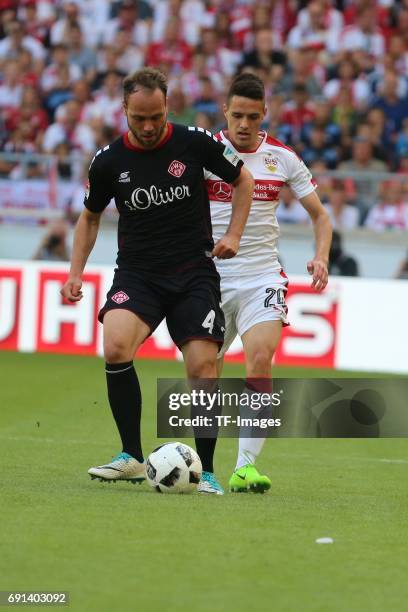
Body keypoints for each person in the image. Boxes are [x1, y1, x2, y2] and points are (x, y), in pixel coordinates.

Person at [60, 67, 254, 495]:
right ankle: (131, 456)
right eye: (139, 118)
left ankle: (205, 472)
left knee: (203, 367)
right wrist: (75, 271)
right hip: (139, 274)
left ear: (167, 106)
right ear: (124, 110)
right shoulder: (109, 160)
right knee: (114, 346)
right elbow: (90, 216)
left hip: (193, 274)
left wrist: (234, 234)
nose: (148, 127)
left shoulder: (194, 142)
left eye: (156, 117)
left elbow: (244, 181)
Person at [206, 72, 332, 493]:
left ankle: (244, 466)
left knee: (260, 358)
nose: (244, 124)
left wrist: (320, 255)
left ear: (264, 115)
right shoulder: (204, 152)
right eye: (237, 115)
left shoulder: (283, 158)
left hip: (262, 273)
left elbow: (321, 215)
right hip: (209, 276)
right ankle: (203, 463)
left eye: (252, 117)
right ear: (225, 111)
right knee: (205, 371)